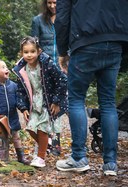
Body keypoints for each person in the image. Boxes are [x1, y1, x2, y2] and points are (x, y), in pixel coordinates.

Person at [54, 0, 128, 176]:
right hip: (115, 41)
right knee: (108, 103)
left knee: (76, 99)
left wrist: (63, 51)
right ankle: (110, 163)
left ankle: (78, 157)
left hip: (85, 41)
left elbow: (62, 17)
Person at [12, 36, 68, 167]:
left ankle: (41, 157)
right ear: (22, 53)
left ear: (38, 51)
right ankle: (46, 145)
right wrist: (23, 108)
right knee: (31, 128)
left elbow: (63, 80)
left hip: (47, 102)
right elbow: (20, 90)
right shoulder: (21, 69)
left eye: (32, 51)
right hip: (33, 103)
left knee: (42, 129)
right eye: (26, 52)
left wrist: (56, 101)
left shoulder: (47, 63)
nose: (29, 55)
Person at [31, 0, 65, 156]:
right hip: (44, 70)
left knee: (58, 105)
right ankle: (46, 141)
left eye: (55, 2)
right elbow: (33, 45)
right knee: (45, 105)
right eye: (49, 2)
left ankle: (56, 142)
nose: (52, 6)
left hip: (62, 69)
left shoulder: (65, 18)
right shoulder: (38, 20)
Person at [0, 59, 30, 165]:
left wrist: (23, 108)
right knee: (1, 138)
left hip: (12, 117)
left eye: (6, 67)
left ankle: (21, 156)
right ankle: (1, 158)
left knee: (16, 137)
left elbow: (18, 99)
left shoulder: (13, 85)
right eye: (3, 67)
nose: (6, 69)